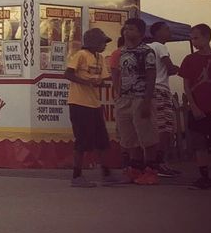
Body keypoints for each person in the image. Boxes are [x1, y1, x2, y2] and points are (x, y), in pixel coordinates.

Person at [64, 28, 123, 187]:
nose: (104, 46)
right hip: (79, 103)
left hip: (94, 103)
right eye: (102, 42)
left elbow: (103, 78)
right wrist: (87, 82)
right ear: (93, 42)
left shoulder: (100, 58)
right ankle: (76, 176)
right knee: (82, 140)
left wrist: (100, 83)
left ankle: (106, 172)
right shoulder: (81, 55)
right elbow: (68, 74)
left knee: (102, 140)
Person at [111, 17, 159, 185]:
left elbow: (151, 76)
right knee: (129, 136)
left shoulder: (147, 52)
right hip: (125, 98)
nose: (126, 32)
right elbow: (117, 74)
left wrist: (147, 101)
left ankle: (151, 170)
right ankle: (135, 169)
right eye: (125, 29)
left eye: (131, 29)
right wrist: (117, 94)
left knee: (146, 135)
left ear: (140, 32)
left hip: (141, 97)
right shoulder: (122, 52)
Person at [179, 24, 211, 190]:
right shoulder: (189, 60)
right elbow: (187, 86)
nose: (194, 41)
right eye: (192, 37)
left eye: (196, 37)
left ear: (207, 37)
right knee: (200, 144)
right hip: (198, 108)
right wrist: (194, 106)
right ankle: (204, 176)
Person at [146, 22, 181, 177]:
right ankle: (158, 163)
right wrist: (180, 68)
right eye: (166, 29)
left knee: (155, 127)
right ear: (158, 32)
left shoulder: (148, 48)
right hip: (161, 89)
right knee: (165, 128)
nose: (169, 31)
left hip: (152, 90)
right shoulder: (160, 46)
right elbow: (170, 67)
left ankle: (153, 162)